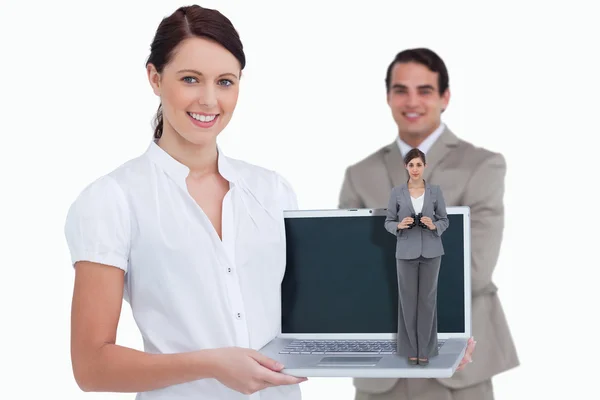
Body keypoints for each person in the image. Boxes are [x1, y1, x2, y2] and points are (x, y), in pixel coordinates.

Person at [64, 5, 306, 399]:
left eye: (225, 82)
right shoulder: (112, 200)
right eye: (190, 79)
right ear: (155, 78)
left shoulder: (272, 191)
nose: (209, 100)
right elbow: (91, 367)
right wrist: (211, 364)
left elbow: (302, 315)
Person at [338, 48, 519, 399]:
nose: (412, 101)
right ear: (388, 96)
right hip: (382, 370)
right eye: (401, 90)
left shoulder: (482, 166)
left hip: (459, 368)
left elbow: (475, 268)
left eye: (425, 90)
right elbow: (350, 271)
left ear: (445, 97)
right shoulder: (360, 175)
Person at [384, 148, 449, 366]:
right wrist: (399, 226)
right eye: (411, 165)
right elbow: (388, 221)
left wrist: (434, 224)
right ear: (406, 167)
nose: (414, 169)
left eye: (418, 164)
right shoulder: (397, 192)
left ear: (424, 166)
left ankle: (426, 349)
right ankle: (411, 349)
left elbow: (445, 220)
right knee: (408, 302)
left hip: (432, 251)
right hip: (405, 252)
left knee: (428, 302)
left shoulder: (435, 191)